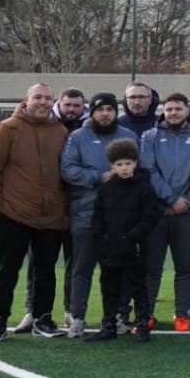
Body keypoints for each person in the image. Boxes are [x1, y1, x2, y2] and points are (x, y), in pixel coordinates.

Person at [0, 84, 70, 342]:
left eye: (47, 98)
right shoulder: (7, 128)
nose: (43, 102)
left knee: (46, 271)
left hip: (51, 215)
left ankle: (42, 318)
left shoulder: (61, 132)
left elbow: (65, 175)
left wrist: (62, 209)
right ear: (27, 100)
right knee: (7, 270)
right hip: (14, 214)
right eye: (38, 97)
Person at [59, 93, 138, 339]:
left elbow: (139, 171)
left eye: (110, 109)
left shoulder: (129, 136)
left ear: (116, 112)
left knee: (118, 270)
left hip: (120, 218)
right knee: (81, 268)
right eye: (100, 109)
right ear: (91, 112)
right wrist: (98, 177)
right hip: (86, 214)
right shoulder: (77, 137)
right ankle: (77, 316)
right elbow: (67, 170)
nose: (105, 114)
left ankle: (117, 316)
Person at [82, 138, 164, 343]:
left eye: (128, 163)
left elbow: (151, 216)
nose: (124, 168)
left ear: (135, 163)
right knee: (109, 287)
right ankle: (108, 325)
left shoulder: (144, 188)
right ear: (112, 165)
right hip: (110, 248)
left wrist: (134, 236)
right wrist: (100, 238)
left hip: (134, 248)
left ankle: (142, 324)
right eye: (119, 164)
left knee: (138, 287)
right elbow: (97, 217)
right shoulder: (105, 189)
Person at [140, 93, 190, 332]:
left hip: (187, 212)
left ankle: (181, 314)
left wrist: (186, 200)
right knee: (152, 266)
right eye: (169, 109)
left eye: (178, 109)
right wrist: (169, 199)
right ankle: (146, 314)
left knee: (185, 266)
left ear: (187, 111)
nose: (173, 113)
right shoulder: (150, 137)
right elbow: (148, 170)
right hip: (157, 211)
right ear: (163, 112)